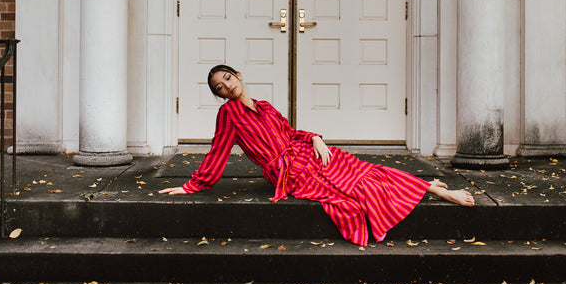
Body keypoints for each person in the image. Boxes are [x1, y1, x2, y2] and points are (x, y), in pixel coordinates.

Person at [160, 65, 475, 246]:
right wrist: (192, 185)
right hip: (289, 173)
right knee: (353, 189)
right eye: (219, 87)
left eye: (227, 78)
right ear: (219, 95)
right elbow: (218, 151)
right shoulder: (229, 114)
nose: (226, 87)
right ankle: (432, 189)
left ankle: (424, 186)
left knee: (365, 170)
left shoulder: (266, 106)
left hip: (305, 153)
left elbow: (290, 132)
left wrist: (316, 139)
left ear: (238, 75)